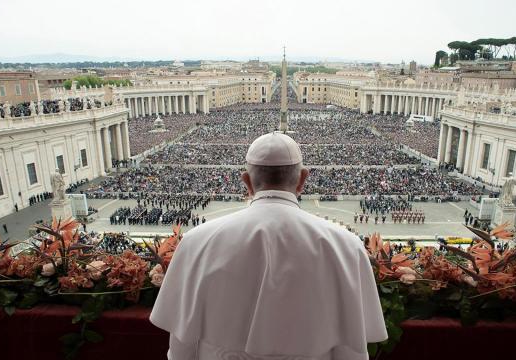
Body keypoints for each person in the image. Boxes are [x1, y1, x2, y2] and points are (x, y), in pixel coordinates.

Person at [150, 132, 387, 360]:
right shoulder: (346, 247)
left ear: (246, 181)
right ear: (303, 179)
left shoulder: (196, 242)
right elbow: (352, 348)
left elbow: (181, 344)